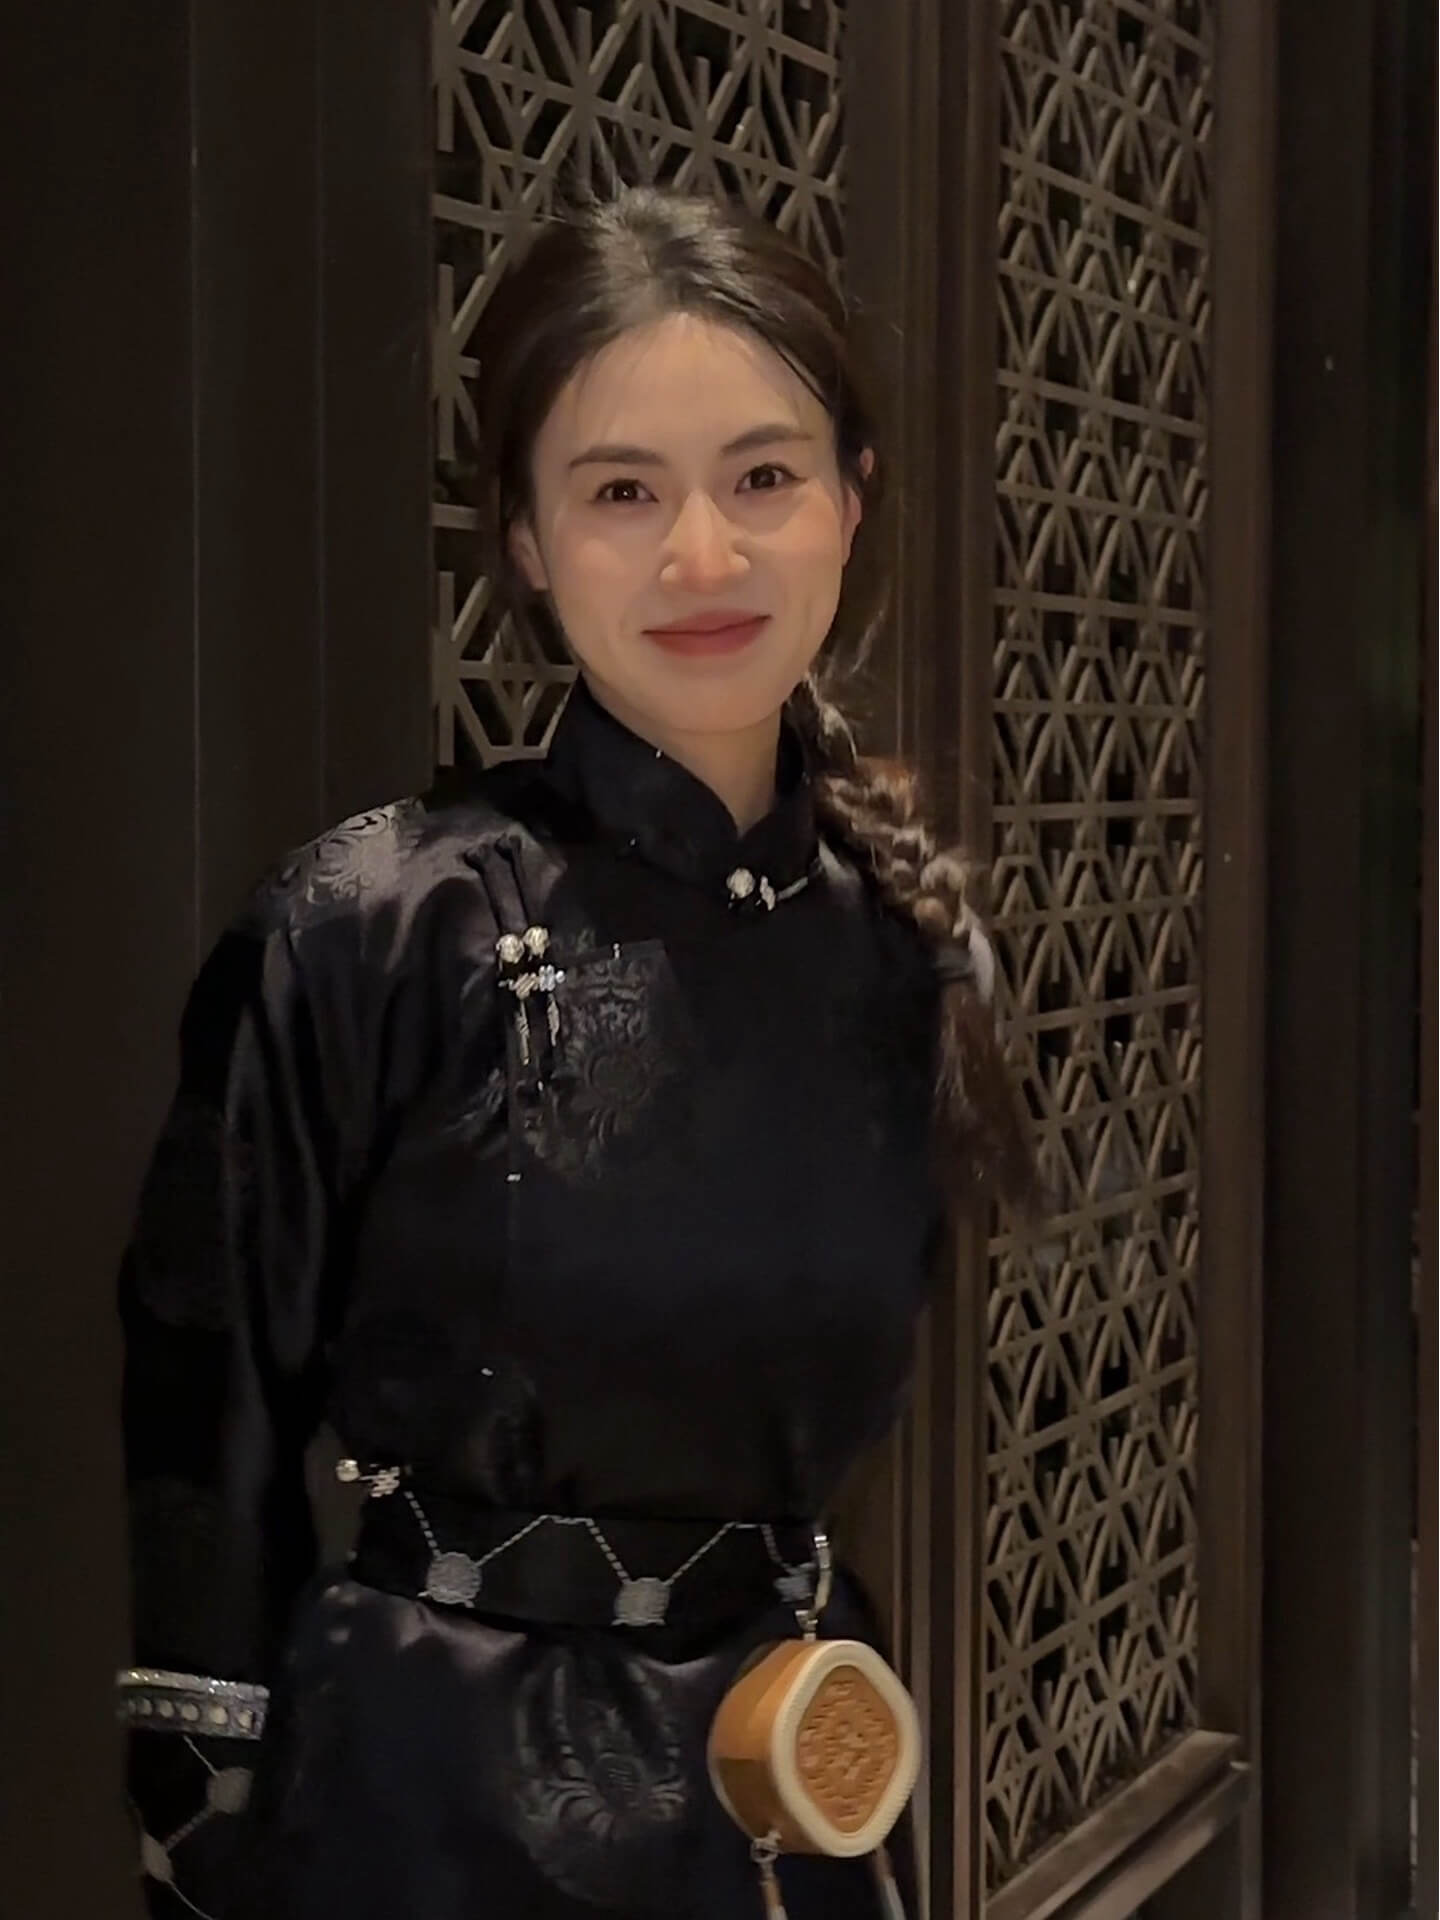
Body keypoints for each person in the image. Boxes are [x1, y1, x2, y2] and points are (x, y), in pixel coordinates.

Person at [114, 185, 1039, 1920]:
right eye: (622, 492)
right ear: (528, 541)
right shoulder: (372, 927)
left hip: (793, 1780)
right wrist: (205, 1814)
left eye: (763, 477)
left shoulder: (910, 951)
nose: (705, 555)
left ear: (852, 500)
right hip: (428, 1800)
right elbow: (203, 1418)